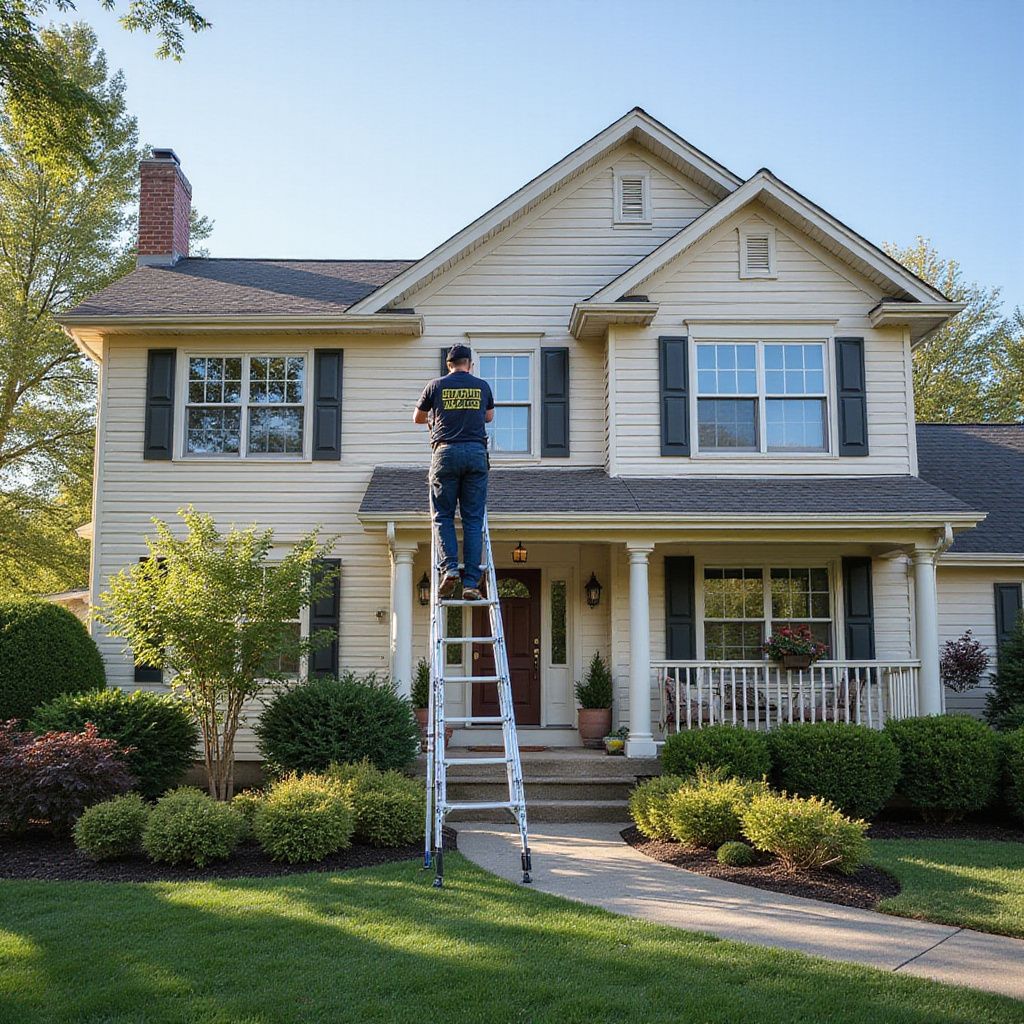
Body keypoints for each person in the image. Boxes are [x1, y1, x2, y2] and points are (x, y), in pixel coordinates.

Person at [414, 345, 495, 600]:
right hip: (475, 454)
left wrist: (434, 419)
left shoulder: (435, 385)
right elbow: (489, 417)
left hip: (445, 453)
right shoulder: (482, 386)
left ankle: (449, 568)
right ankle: (471, 583)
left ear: (448, 365)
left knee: (443, 515)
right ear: (469, 364)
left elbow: (417, 417)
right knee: (472, 519)